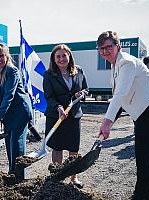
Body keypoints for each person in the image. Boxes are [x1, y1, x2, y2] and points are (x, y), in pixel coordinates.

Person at [97, 31, 149, 200]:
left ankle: (142, 194)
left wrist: (106, 122)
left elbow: (120, 94)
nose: (105, 51)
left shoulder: (126, 63)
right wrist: (110, 122)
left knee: (143, 151)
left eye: (109, 47)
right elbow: (119, 98)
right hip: (143, 110)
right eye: (101, 48)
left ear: (117, 46)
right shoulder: (115, 64)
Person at [43, 44, 87, 188]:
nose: (61, 59)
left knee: (73, 148)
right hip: (57, 116)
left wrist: (81, 94)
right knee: (57, 147)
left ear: (69, 56)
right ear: (54, 59)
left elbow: (86, 89)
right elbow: (49, 97)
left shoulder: (79, 71)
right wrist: (58, 107)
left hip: (73, 116)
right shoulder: (49, 74)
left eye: (64, 55)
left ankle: (73, 178)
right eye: (58, 56)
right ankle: (57, 177)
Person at [0, 43, 32, 180]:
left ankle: (19, 177)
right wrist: (0, 113)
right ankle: (12, 172)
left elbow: (9, 95)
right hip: (8, 112)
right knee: (8, 141)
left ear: (7, 57)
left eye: (2, 55)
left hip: (20, 111)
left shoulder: (12, 71)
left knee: (16, 142)